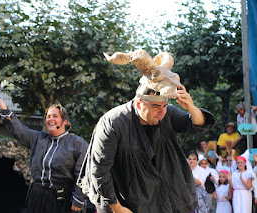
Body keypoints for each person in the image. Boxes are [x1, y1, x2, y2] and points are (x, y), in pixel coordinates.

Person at [77, 50, 216, 213]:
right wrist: (117, 208)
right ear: (138, 104)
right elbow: (99, 171)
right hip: (128, 205)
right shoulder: (112, 123)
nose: (162, 112)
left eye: (164, 106)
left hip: (171, 202)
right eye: (155, 107)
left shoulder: (167, 114)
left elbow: (196, 125)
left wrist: (191, 107)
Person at [0, 97, 88, 213]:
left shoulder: (77, 143)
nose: (50, 119)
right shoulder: (38, 138)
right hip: (37, 197)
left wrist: (79, 199)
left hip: (63, 200)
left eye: (55, 116)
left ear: (64, 121)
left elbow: (83, 173)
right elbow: (19, 130)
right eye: (48, 116)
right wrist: (3, 107)